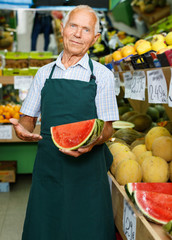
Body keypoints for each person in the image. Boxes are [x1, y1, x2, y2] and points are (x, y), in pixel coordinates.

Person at [10, 5, 119, 240]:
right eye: (73, 26)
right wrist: (22, 131)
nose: (78, 34)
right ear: (62, 29)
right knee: (45, 231)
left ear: (95, 38)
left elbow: (108, 128)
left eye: (86, 29)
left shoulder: (102, 75)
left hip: (88, 174)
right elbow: (27, 121)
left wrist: (92, 141)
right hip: (49, 171)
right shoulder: (43, 74)